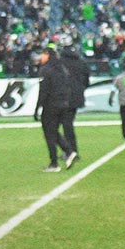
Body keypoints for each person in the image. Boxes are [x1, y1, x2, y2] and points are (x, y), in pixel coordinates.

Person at [33, 44, 74, 172]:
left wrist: (37, 108)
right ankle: (68, 150)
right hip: (63, 104)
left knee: (49, 134)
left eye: (44, 54)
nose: (41, 56)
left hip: (51, 105)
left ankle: (54, 163)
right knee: (54, 131)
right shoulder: (61, 69)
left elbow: (43, 91)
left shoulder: (46, 70)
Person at [61, 45, 89, 167]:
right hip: (77, 97)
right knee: (68, 124)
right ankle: (70, 150)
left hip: (64, 97)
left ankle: (71, 150)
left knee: (65, 125)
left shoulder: (61, 63)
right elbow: (87, 81)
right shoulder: (81, 63)